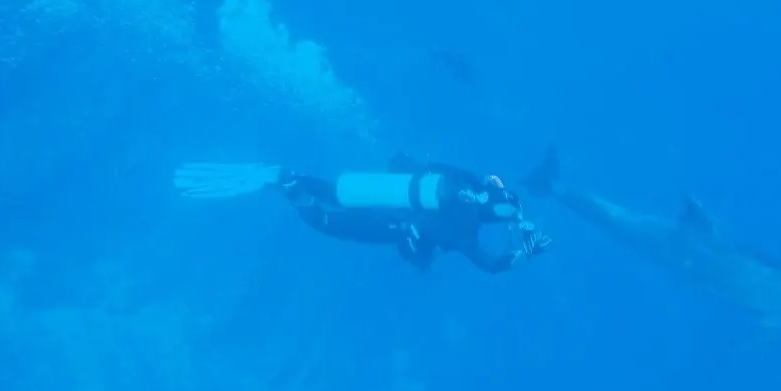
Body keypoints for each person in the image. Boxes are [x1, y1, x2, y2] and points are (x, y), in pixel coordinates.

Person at [173, 154, 552, 274]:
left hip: (394, 193)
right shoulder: (466, 230)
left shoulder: (460, 179)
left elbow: (409, 162)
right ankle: (288, 186)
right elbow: (492, 266)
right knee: (328, 223)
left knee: (336, 193)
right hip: (393, 226)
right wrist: (525, 251)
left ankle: (293, 177)